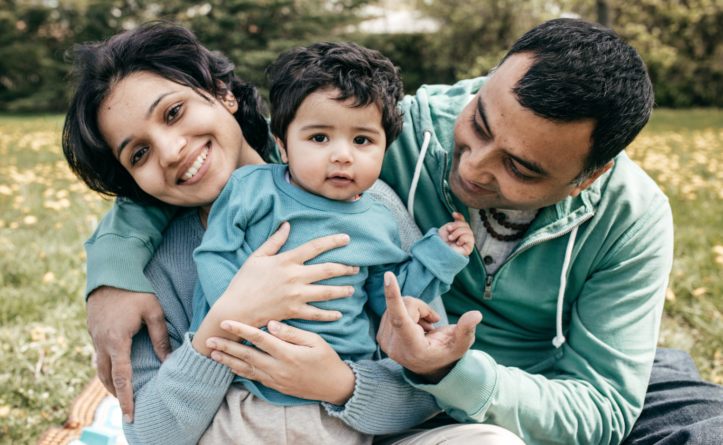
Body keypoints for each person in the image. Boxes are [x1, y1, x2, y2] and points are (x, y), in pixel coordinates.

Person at [81, 18, 723, 445]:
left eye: (520, 167)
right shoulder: (395, 133)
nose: (471, 166)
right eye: (479, 120)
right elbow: (206, 171)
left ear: (589, 175)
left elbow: (604, 405)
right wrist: (112, 267)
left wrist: (433, 374)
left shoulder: (631, 219)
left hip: (515, 382)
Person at [63, 22, 520, 444]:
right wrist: (226, 318)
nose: (169, 150)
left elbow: (420, 391)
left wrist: (339, 384)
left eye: (174, 112)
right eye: (138, 153)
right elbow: (149, 434)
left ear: (222, 93)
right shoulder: (146, 270)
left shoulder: (368, 205)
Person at [188, 41, 475, 408]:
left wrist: (440, 255)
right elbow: (214, 254)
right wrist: (236, 317)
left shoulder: (379, 220)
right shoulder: (252, 190)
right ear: (283, 144)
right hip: (248, 381)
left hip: (337, 391)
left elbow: (391, 301)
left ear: (384, 149)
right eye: (319, 137)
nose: (342, 154)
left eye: (362, 140)